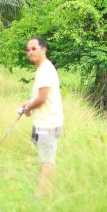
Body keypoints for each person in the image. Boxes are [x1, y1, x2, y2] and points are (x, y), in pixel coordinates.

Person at [19, 36, 64, 197]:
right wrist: (28, 104)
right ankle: (50, 193)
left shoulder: (45, 70)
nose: (30, 52)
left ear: (43, 49)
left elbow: (42, 98)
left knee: (46, 161)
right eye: (28, 49)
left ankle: (40, 197)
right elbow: (38, 95)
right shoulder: (43, 69)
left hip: (48, 124)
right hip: (43, 123)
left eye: (34, 49)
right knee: (46, 159)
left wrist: (27, 108)